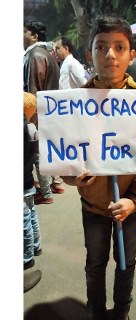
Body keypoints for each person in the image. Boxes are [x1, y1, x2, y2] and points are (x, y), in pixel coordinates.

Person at [61, 15, 136, 320]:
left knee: (126, 262)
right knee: (95, 262)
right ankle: (95, 310)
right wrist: (74, 178)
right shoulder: (74, 102)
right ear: (89, 54)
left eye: (119, 47)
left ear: (132, 53)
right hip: (92, 205)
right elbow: (64, 159)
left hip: (131, 206)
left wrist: (135, 200)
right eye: (101, 47)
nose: (110, 54)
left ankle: (121, 312)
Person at [24, 20, 64, 203]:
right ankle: (49, 187)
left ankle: (46, 192)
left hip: (36, 113)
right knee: (40, 151)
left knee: (37, 152)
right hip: (46, 112)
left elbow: (33, 90)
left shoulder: (35, 55)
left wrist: (29, 118)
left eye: (23, 32)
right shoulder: (45, 54)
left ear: (34, 36)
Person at [24, 92, 42, 271]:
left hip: (23, 183)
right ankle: (36, 246)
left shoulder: (24, 129)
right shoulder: (32, 128)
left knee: (23, 223)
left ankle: (26, 257)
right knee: (31, 216)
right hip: (28, 181)